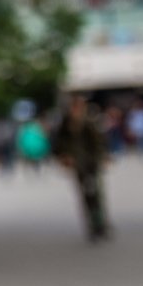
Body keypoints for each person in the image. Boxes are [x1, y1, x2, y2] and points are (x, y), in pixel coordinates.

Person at [51, 94, 110, 242]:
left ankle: (100, 223)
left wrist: (102, 157)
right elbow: (58, 143)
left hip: (91, 163)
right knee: (85, 195)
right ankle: (91, 225)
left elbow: (98, 142)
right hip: (78, 165)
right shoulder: (66, 123)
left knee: (96, 194)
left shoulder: (90, 121)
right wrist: (63, 156)